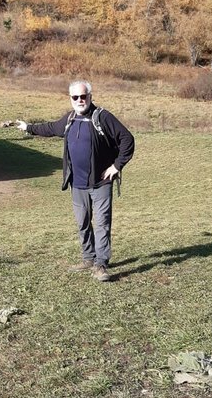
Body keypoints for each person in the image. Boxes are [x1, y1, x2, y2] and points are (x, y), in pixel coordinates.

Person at [15, 80, 134, 282]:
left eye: (83, 96)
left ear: (90, 96)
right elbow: (51, 128)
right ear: (70, 99)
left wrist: (116, 166)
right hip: (77, 184)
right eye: (75, 97)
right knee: (83, 224)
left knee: (102, 224)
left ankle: (101, 264)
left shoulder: (102, 117)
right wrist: (28, 127)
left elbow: (127, 140)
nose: (80, 100)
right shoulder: (70, 119)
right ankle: (88, 258)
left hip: (101, 183)